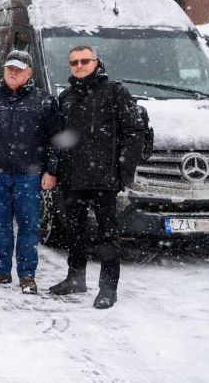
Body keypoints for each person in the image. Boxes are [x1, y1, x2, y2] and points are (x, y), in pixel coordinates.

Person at [49, 46, 146, 309]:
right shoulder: (66, 97)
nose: (79, 66)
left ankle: (108, 288)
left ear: (96, 62)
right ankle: (75, 278)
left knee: (107, 236)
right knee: (75, 232)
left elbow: (135, 132)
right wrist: (56, 171)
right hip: (73, 179)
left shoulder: (115, 92)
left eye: (84, 61)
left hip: (105, 179)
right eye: (74, 62)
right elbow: (59, 139)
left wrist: (123, 173)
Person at [0, 49, 62, 294]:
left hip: (29, 175)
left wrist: (51, 171)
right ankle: (1, 270)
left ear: (29, 73)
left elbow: (56, 139)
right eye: (9, 68)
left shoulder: (44, 101)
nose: (13, 72)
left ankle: (27, 275)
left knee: (28, 226)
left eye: (19, 69)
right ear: (4, 70)